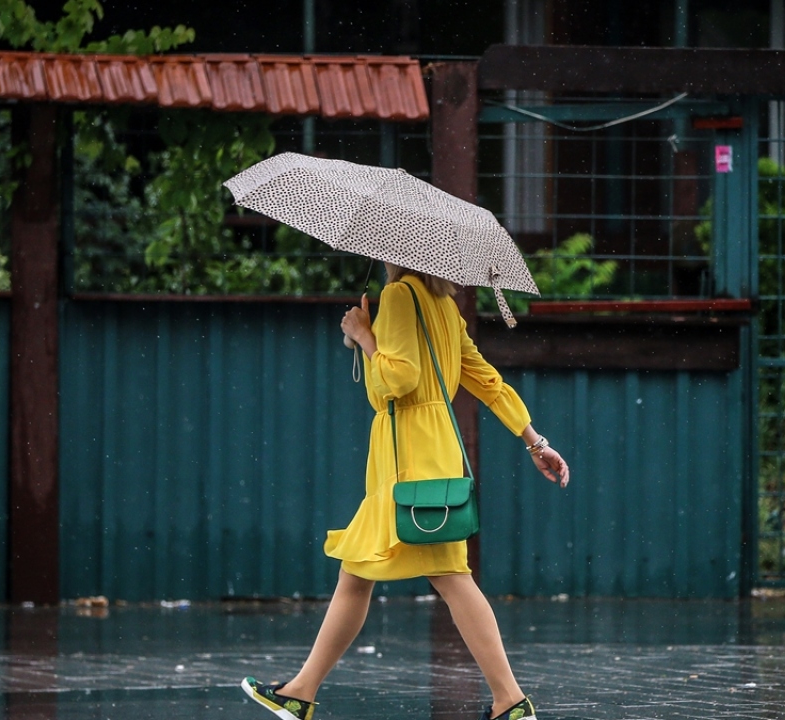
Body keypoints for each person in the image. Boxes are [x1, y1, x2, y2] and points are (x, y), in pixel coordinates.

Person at [241, 264, 570, 720]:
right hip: (433, 452)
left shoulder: (398, 297)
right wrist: (535, 441)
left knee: (423, 574)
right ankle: (302, 690)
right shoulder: (445, 305)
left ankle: (510, 702)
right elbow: (485, 380)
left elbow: (397, 382)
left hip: (405, 456)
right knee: (381, 573)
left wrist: (364, 336)